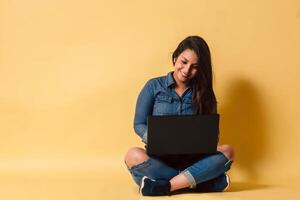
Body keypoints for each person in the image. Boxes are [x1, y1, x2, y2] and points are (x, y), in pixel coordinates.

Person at [124, 36, 235, 196]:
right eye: (184, 62)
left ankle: (165, 186)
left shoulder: (205, 94)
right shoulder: (153, 86)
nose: (187, 70)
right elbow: (139, 123)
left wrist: (207, 142)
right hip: (160, 160)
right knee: (132, 155)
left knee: (228, 151)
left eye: (194, 66)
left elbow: (212, 133)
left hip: (193, 160)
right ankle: (199, 181)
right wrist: (156, 140)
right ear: (175, 57)